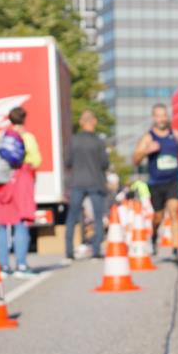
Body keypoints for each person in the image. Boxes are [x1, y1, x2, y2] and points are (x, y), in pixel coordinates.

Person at [0, 106, 42, 278]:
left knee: (2, 224)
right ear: (24, 119)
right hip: (21, 181)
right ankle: (21, 265)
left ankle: (3, 266)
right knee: (21, 222)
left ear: (9, 119)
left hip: (2, 183)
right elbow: (36, 160)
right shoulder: (27, 137)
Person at [132, 104, 178, 259]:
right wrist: (146, 150)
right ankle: (154, 236)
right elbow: (135, 159)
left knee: (174, 210)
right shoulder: (148, 137)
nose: (162, 119)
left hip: (174, 179)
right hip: (156, 182)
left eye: (164, 115)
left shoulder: (175, 134)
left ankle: (175, 249)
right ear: (153, 118)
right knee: (158, 217)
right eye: (158, 116)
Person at [64, 110, 110, 261]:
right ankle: (96, 250)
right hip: (96, 182)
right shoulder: (98, 141)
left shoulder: (74, 140)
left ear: (81, 123)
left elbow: (68, 162)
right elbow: (105, 163)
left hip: (77, 182)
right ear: (94, 122)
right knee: (97, 217)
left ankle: (69, 251)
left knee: (72, 217)